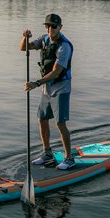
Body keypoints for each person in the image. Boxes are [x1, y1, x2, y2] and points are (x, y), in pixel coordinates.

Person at [21, 13, 75, 170]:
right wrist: (25, 37)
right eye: (48, 26)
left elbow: (57, 72)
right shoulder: (44, 39)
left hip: (61, 88)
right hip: (47, 88)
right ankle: (47, 153)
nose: (50, 29)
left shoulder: (64, 46)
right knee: (42, 119)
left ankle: (69, 158)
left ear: (60, 28)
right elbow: (23, 47)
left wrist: (36, 83)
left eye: (54, 26)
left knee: (60, 123)